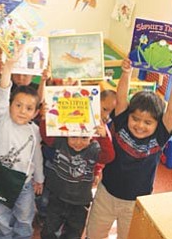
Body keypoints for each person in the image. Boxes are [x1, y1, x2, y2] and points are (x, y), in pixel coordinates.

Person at [86, 58, 172, 239]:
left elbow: (171, 113)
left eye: (148, 122)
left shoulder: (159, 136)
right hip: (106, 194)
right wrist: (126, 73)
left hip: (136, 201)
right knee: (94, 234)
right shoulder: (122, 122)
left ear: (157, 124)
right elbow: (122, 97)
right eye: (136, 119)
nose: (140, 125)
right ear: (128, 115)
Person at [38, 102, 115, 239]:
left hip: (80, 202)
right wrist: (44, 118)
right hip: (57, 197)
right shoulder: (60, 142)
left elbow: (108, 157)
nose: (78, 142)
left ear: (92, 136)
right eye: (73, 136)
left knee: (73, 233)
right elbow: (46, 136)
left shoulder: (94, 149)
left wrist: (104, 137)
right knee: (49, 229)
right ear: (66, 133)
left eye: (84, 137)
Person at [0, 52, 44, 239]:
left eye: (29, 108)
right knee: (1, 217)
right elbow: (3, 91)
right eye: (18, 105)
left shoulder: (34, 130)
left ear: (35, 112)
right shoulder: (2, 119)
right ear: (10, 105)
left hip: (24, 185)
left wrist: (39, 178)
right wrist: (8, 67)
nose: (22, 111)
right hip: (0, 182)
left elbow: (37, 156)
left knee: (24, 218)